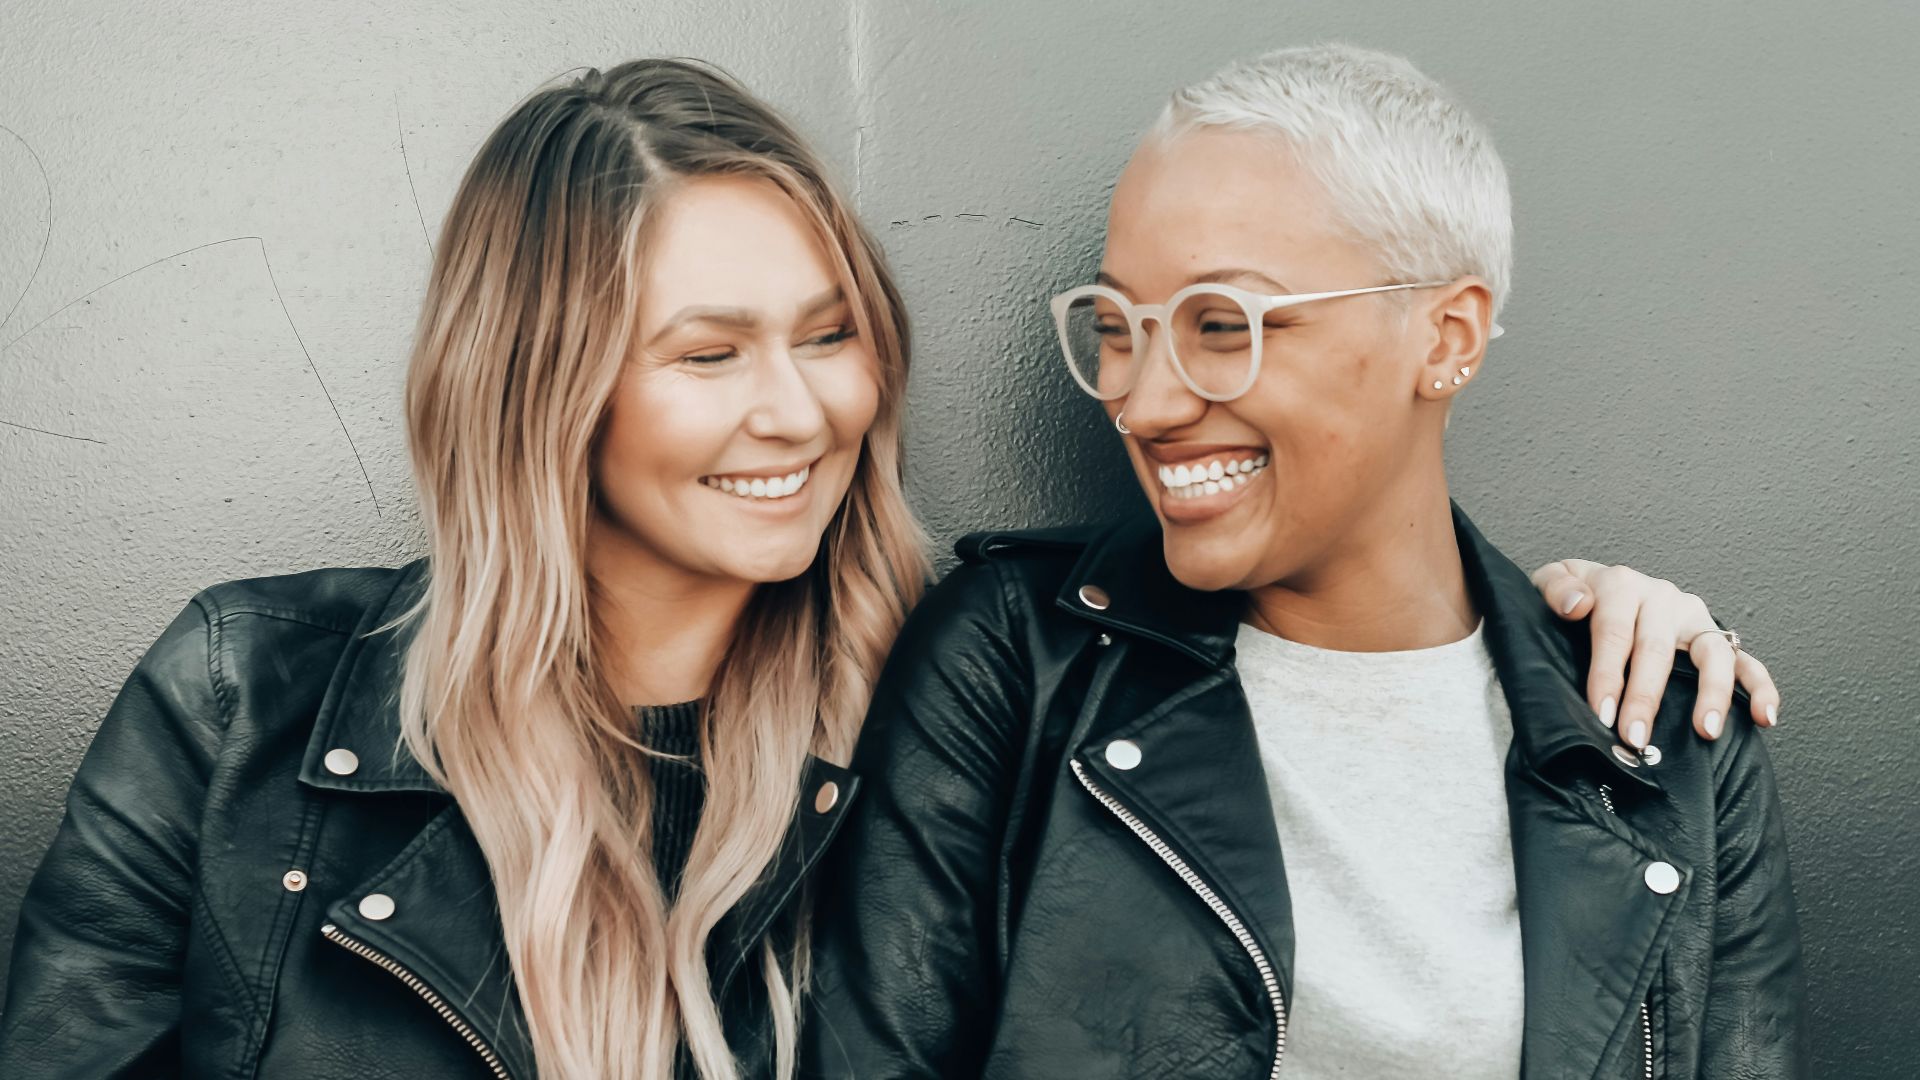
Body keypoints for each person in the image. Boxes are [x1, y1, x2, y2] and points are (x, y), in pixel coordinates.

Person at [0, 57, 1775, 1080]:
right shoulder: (255, 694)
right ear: (545, 384)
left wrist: (1589, 640)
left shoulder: (941, 695)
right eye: (708, 352)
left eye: (832, 333)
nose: (799, 410)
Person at [804, 44, 1804, 1080]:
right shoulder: (1014, 659)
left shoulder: (1665, 741)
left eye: (1223, 324)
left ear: (1445, 335)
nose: (1142, 402)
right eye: (1117, 326)